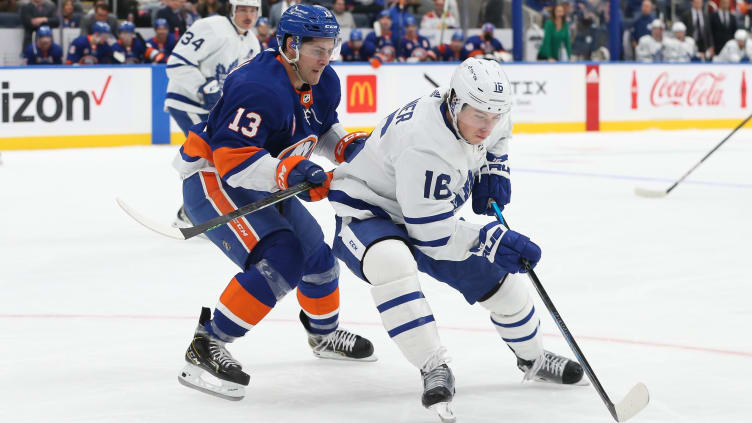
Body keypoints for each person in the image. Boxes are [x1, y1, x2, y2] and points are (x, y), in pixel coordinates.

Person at [327, 57, 584, 418]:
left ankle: (534, 357)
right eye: (480, 116)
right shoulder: (424, 144)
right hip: (368, 212)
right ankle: (433, 366)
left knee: (503, 286)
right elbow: (430, 234)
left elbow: (500, 125)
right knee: (392, 262)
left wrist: (495, 163)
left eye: (493, 116)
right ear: (454, 103)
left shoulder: (480, 108)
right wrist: (491, 239)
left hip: (424, 212)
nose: (487, 126)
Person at [173, 4, 376, 401]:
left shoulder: (323, 79)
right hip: (213, 179)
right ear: (289, 46)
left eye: (330, 47)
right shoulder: (257, 87)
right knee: (282, 258)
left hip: (263, 178)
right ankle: (206, 343)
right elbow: (231, 162)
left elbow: (321, 125)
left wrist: (346, 146)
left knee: (317, 255)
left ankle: (323, 335)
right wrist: (291, 172)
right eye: (317, 49)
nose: (326, 57)